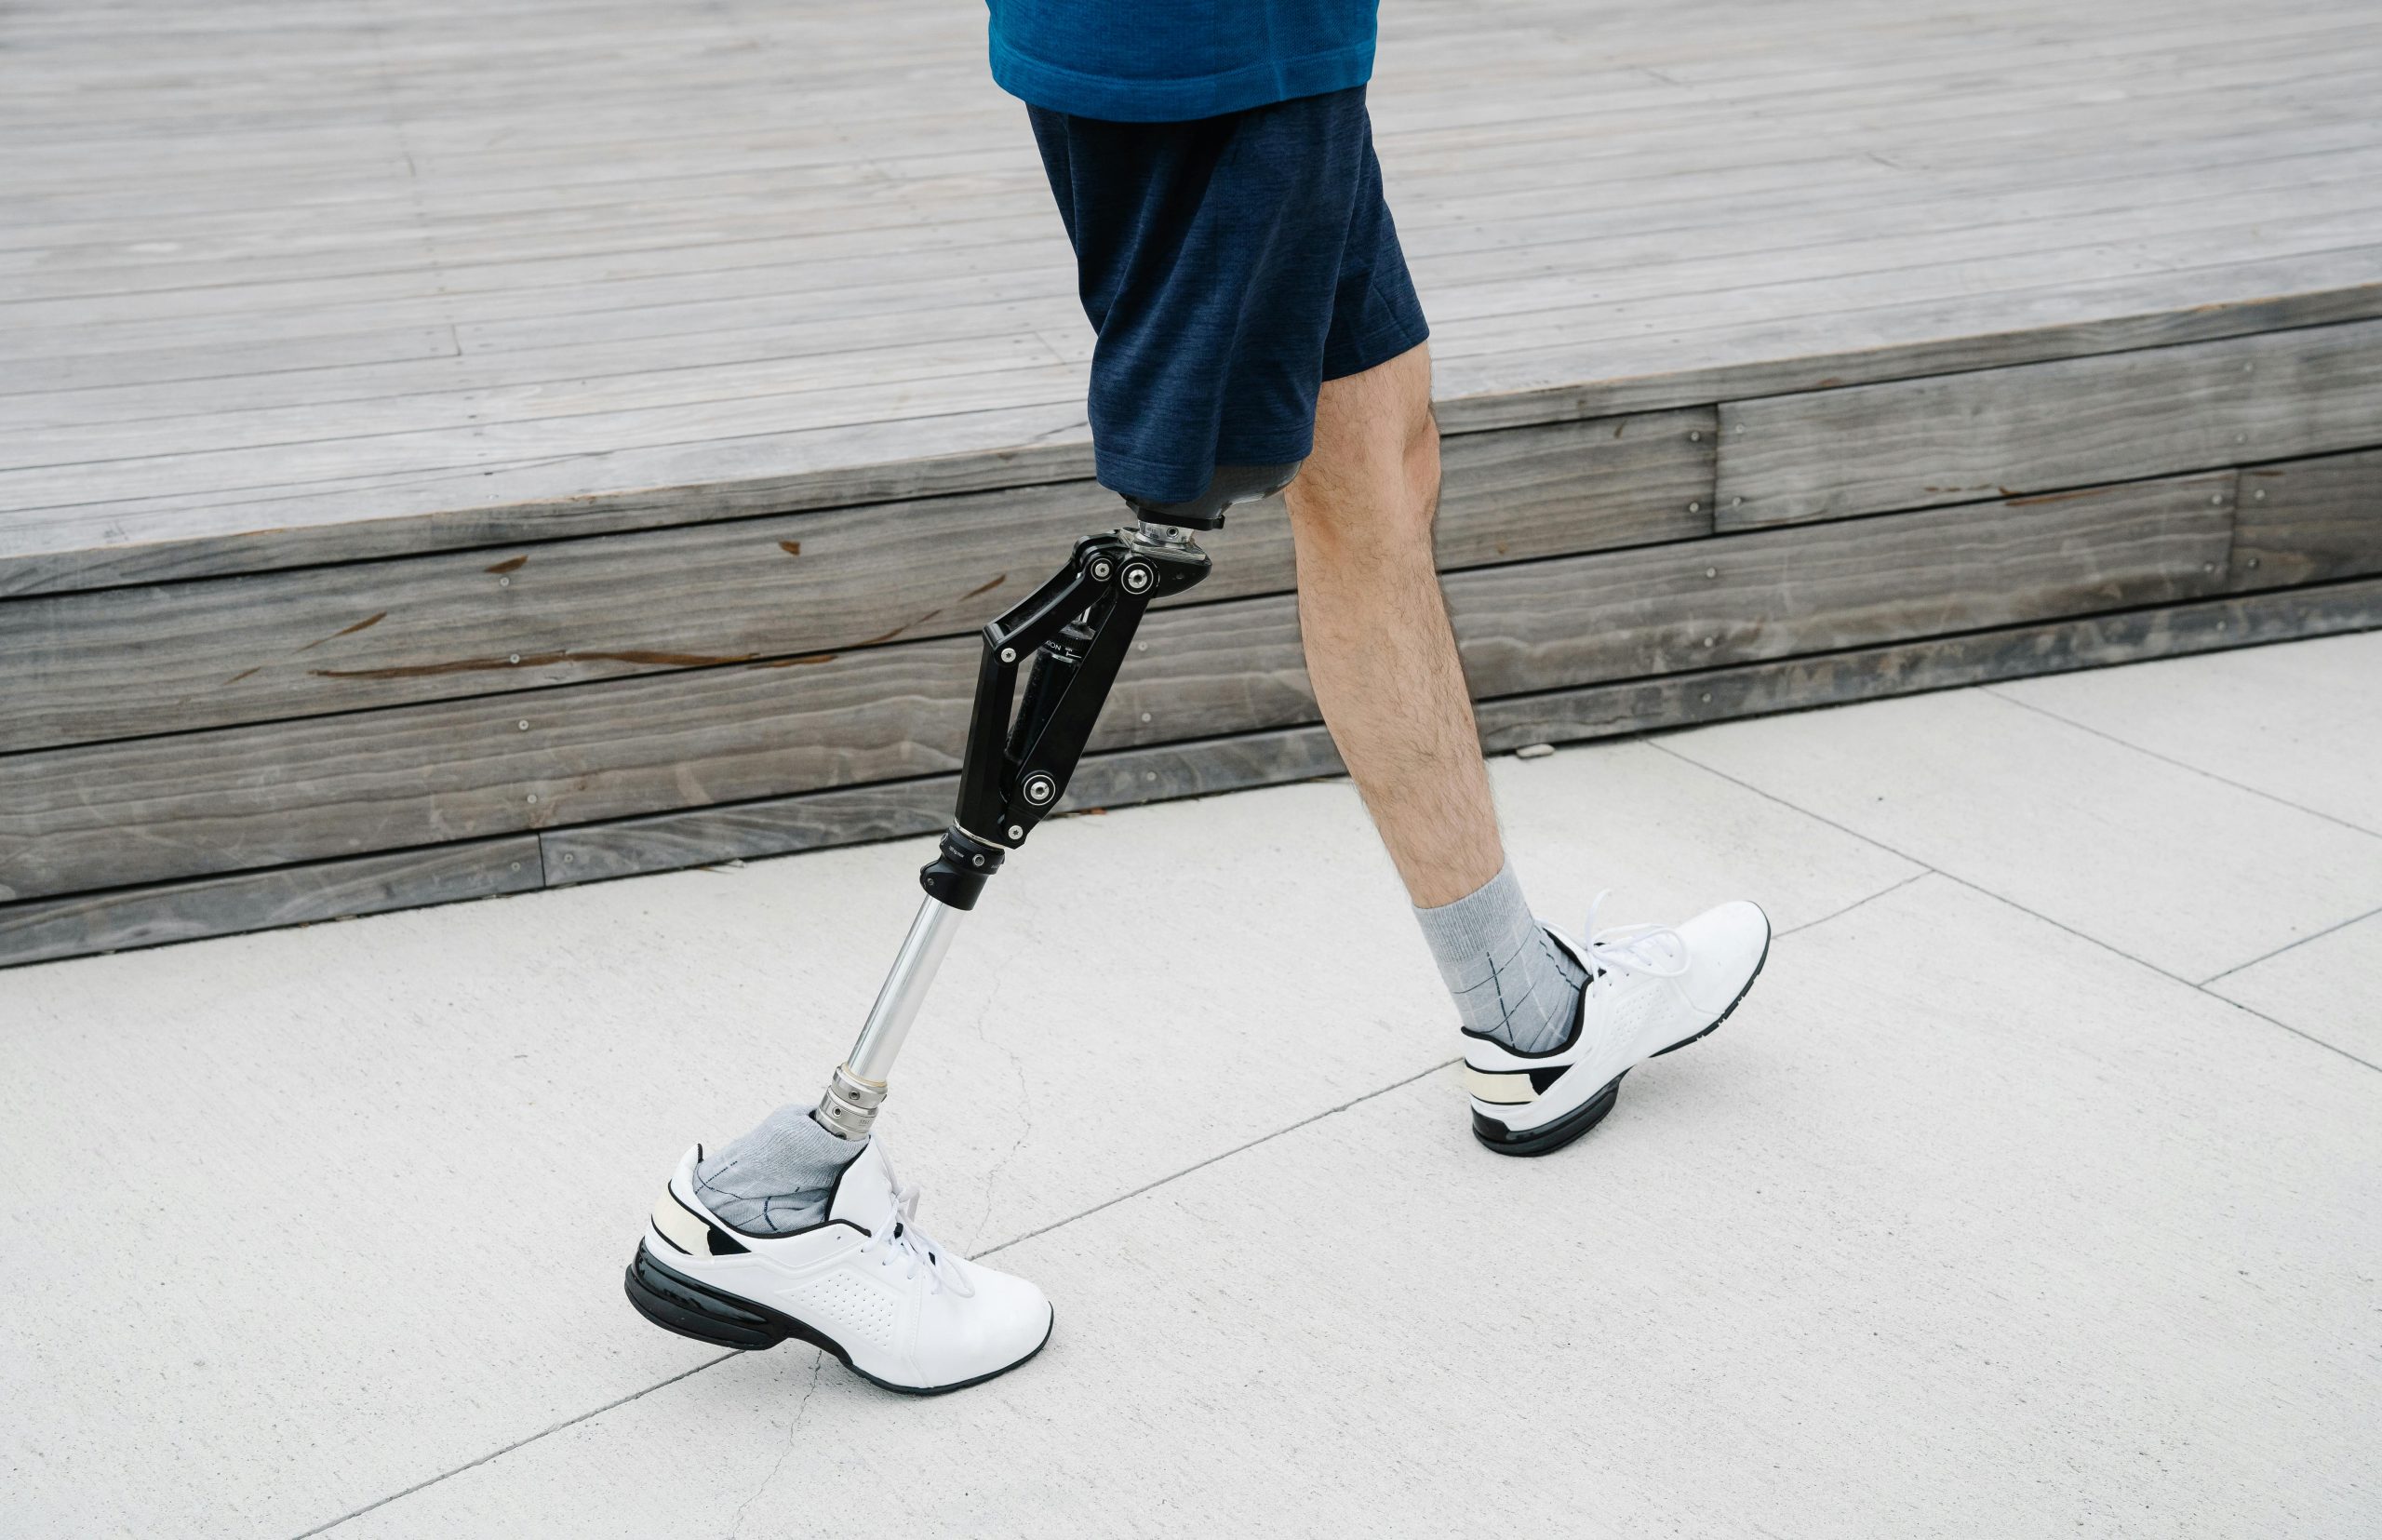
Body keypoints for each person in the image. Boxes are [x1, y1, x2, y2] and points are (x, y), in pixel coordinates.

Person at [622, 0, 1770, 1395]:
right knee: (1171, 512)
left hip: (1261, 43)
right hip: (1212, 48)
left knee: (1376, 462)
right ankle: (778, 1193)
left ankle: (1528, 1017)